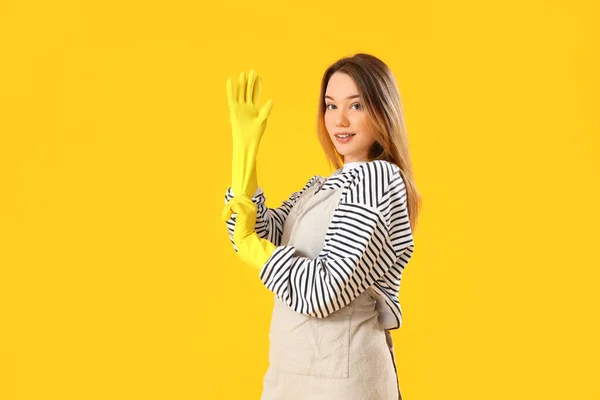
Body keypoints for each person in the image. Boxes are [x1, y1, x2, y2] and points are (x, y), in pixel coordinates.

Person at [221, 53, 421, 400]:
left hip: (343, 384)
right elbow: (255, 233)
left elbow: (324, 292)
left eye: (356, 106)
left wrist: (255, 249)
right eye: (330, 106)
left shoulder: (378, 180)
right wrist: (245, 159)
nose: (340, 120)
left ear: (382, 110)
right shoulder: (322, 186)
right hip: (291, 376)